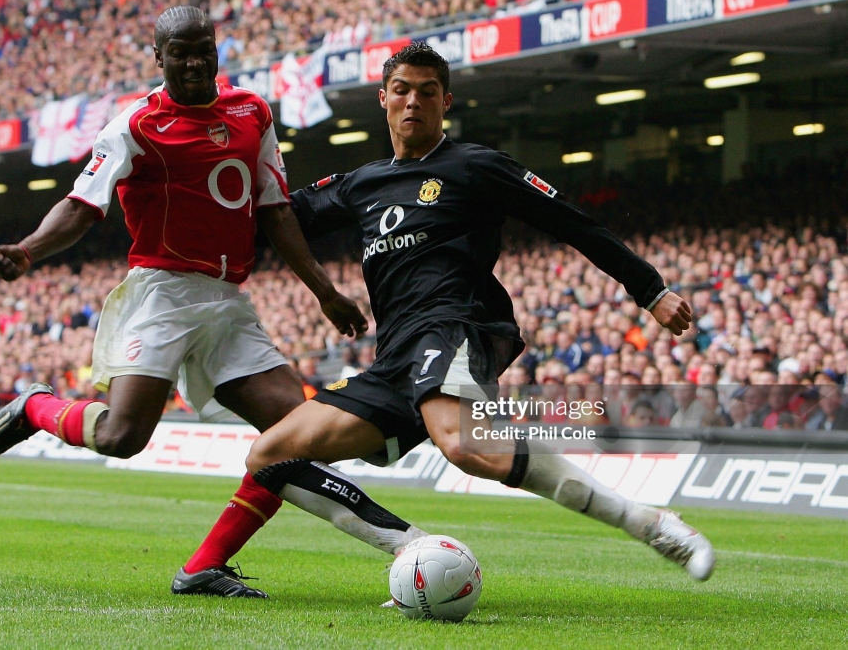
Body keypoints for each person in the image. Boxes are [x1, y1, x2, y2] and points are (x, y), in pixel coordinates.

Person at [187, 42, 715, 593]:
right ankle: (414, 549)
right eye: (402, 90)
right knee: (269, 453)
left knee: (464, 443)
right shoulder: (360, 184)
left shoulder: (475, 166)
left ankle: (654, 526)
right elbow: (271, 219)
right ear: (384, 100)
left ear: (446, 103)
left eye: (428, 92)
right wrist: (201, 169)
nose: (413, 101)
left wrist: (649, 288)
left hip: (458, 327)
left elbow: (572, 223)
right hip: (395, 358)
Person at [0, 6, 376, 598]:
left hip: (227, 301)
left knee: (297, 435)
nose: (193, 62)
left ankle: (203, 568)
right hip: (162, 293)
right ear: (157, 58)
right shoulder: (135, 125)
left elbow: (276, 210)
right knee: (122, 437)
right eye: (180, 52)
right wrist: (29, 250)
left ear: (217, 49)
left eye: (203, 49)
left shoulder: (252, 113)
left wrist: (323, 291)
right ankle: (35, 408)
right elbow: (83, 205)